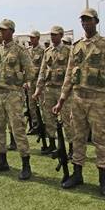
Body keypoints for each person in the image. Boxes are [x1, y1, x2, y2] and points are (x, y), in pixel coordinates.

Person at [52, 8, 105, 197]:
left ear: (96, 21)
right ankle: (78, 175)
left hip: (97, 99)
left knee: (100, 139)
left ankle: (104, 179)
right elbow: (69, 75)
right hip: (77, 99)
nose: (86, 23)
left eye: (89, 20)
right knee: (78, 137)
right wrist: (61, 100)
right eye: (83, 21)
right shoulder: (76, 46)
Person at [0, 19, 34, 180]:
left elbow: (30, 71)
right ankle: (2, 160)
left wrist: (21, 80)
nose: (2, 33)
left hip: (13, 94)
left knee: (18, 129)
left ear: (11, 31)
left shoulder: (19, 50)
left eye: (4, 30)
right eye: (0, 30)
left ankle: (26, 164)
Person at [33, 26, 73, 157]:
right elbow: (42, 71)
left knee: (67, 119)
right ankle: (52, 144)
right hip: (49, 89)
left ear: (61, 35)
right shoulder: (48, 51)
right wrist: (38, 89)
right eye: (51, 34)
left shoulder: (68, 51)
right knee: (48, 118)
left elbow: (72, 71)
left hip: (63, 90)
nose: (52, 37)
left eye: (55, 35)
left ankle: (71, 148)